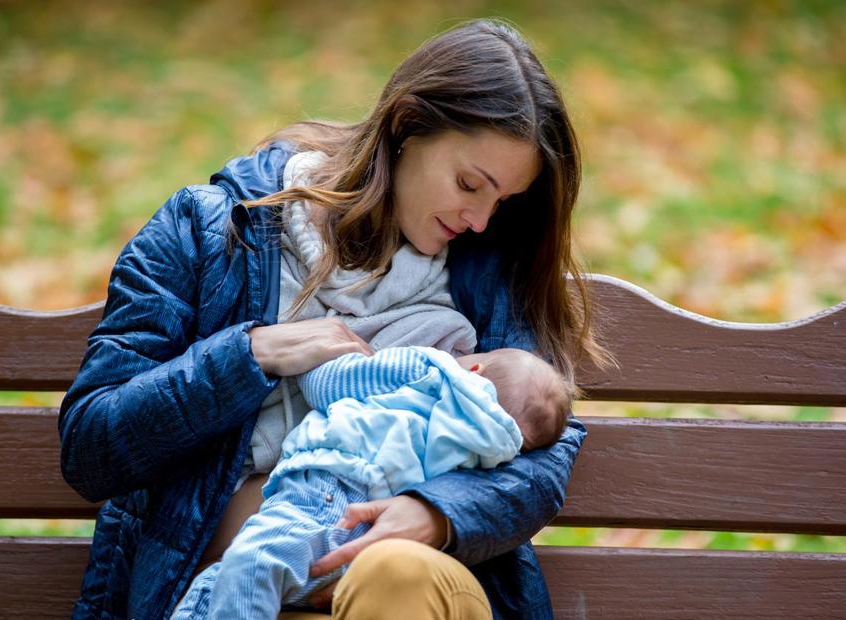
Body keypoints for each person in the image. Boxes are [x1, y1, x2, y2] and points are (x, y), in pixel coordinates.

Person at [58, 18, 611, 620]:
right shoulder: (209, 231)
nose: (480, 219)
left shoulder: (484, 270)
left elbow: (544, 447)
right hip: (218, 597)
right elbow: (93, 444)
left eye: (501, 202)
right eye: (469, 184)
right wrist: (252, 355)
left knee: (395, 571)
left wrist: (437, 512)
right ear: (406, 125)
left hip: (405, 590)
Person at [172, 345, 571, 619]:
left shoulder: (429, 369)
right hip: (367, 539)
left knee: (247, 566)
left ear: (474, 368)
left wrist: (314, 358)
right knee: (221, 584)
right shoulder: (493, 452)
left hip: (325, 500)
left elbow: (326, 385)